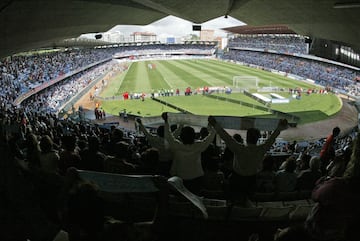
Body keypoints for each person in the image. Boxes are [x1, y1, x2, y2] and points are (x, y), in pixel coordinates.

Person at [208, 116, 288, 205]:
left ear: (247, 137)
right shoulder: (261, 149)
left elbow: (225, 137)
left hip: (237, 179)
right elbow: (272, 139)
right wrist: (280, 127)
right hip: (251, 180)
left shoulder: (239, 148)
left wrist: (215, 124)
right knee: (247, 202)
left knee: (234, 202)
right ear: (257, 138)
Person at [162, 112, 216, 194]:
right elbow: (211, 136)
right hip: (196, 178)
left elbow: (168, 136)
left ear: (181, 136)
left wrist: (166, 121)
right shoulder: (198, 146)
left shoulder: (176, 146)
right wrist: (213, 125)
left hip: (179, 178)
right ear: (194, 136)